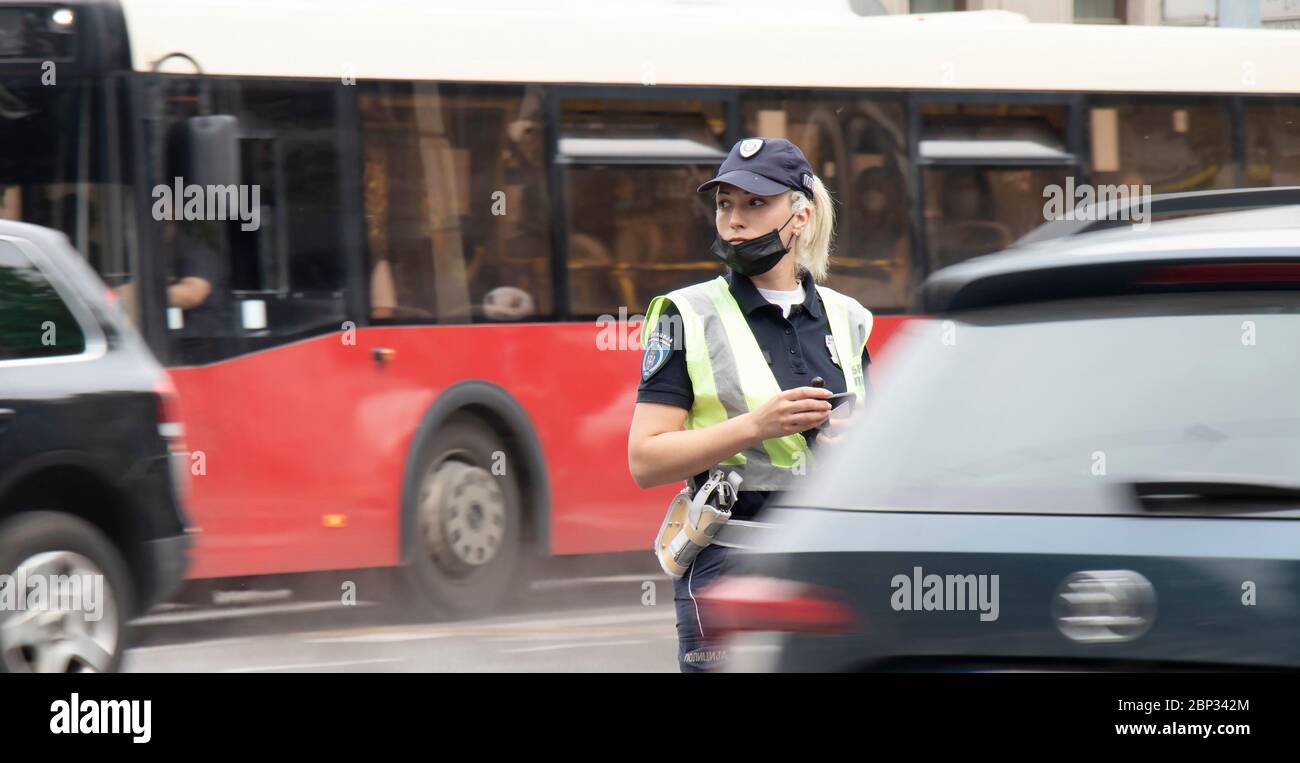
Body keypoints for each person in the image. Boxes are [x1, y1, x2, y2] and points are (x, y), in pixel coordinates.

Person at [627, 137, 873, 672]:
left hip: (832, 563)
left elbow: (882, 450)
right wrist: (755, 426)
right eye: (724, 205)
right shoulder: (683, 314)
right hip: (728, 565)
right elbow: (645, 461)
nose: (734, 221)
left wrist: (859, 441)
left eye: (755, 204)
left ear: (801, 216)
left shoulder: (849, 316)